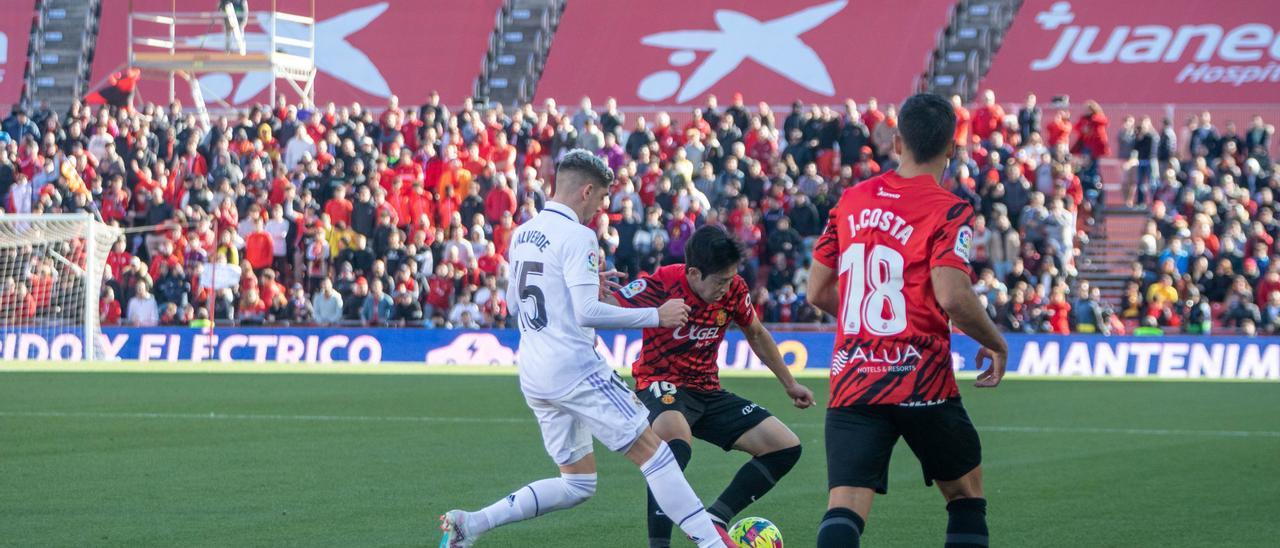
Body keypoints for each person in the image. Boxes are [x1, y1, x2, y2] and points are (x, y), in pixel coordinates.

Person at [439, 150, 733, 547]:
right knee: (656, 454)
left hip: (535, 372)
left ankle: (469, 524)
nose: (600, 209)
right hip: (575, 369)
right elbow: (587, 313)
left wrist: (574, 284)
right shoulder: (579, 235)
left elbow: (513, 302)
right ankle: (714, 544)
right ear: (587, 191)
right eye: (601, 199)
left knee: (577, 482)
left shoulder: (523, 233)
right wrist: (656, 315)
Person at [806, 93, 1009, 548]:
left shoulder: (850, 201)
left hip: (854, 378)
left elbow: (816, 291)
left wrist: (870, 320)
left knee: (844, 508)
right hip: (922, 380)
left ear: (897, 142)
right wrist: (997, 342)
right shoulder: (950, 209)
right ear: (952, 149)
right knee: (965, 496)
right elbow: (952, 295)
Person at [610, 225, 815, 548]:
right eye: (720, 280)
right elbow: (607, 303)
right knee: (675, 444)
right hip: (660, 384)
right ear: (693, 273)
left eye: (730, 278)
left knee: (785, 446)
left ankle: (716, 519)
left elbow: (756, 333)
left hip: (707, 390)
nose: (726, 287)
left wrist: (790, 384)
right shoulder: (663, 282)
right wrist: (592, 285)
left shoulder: (734, 289)